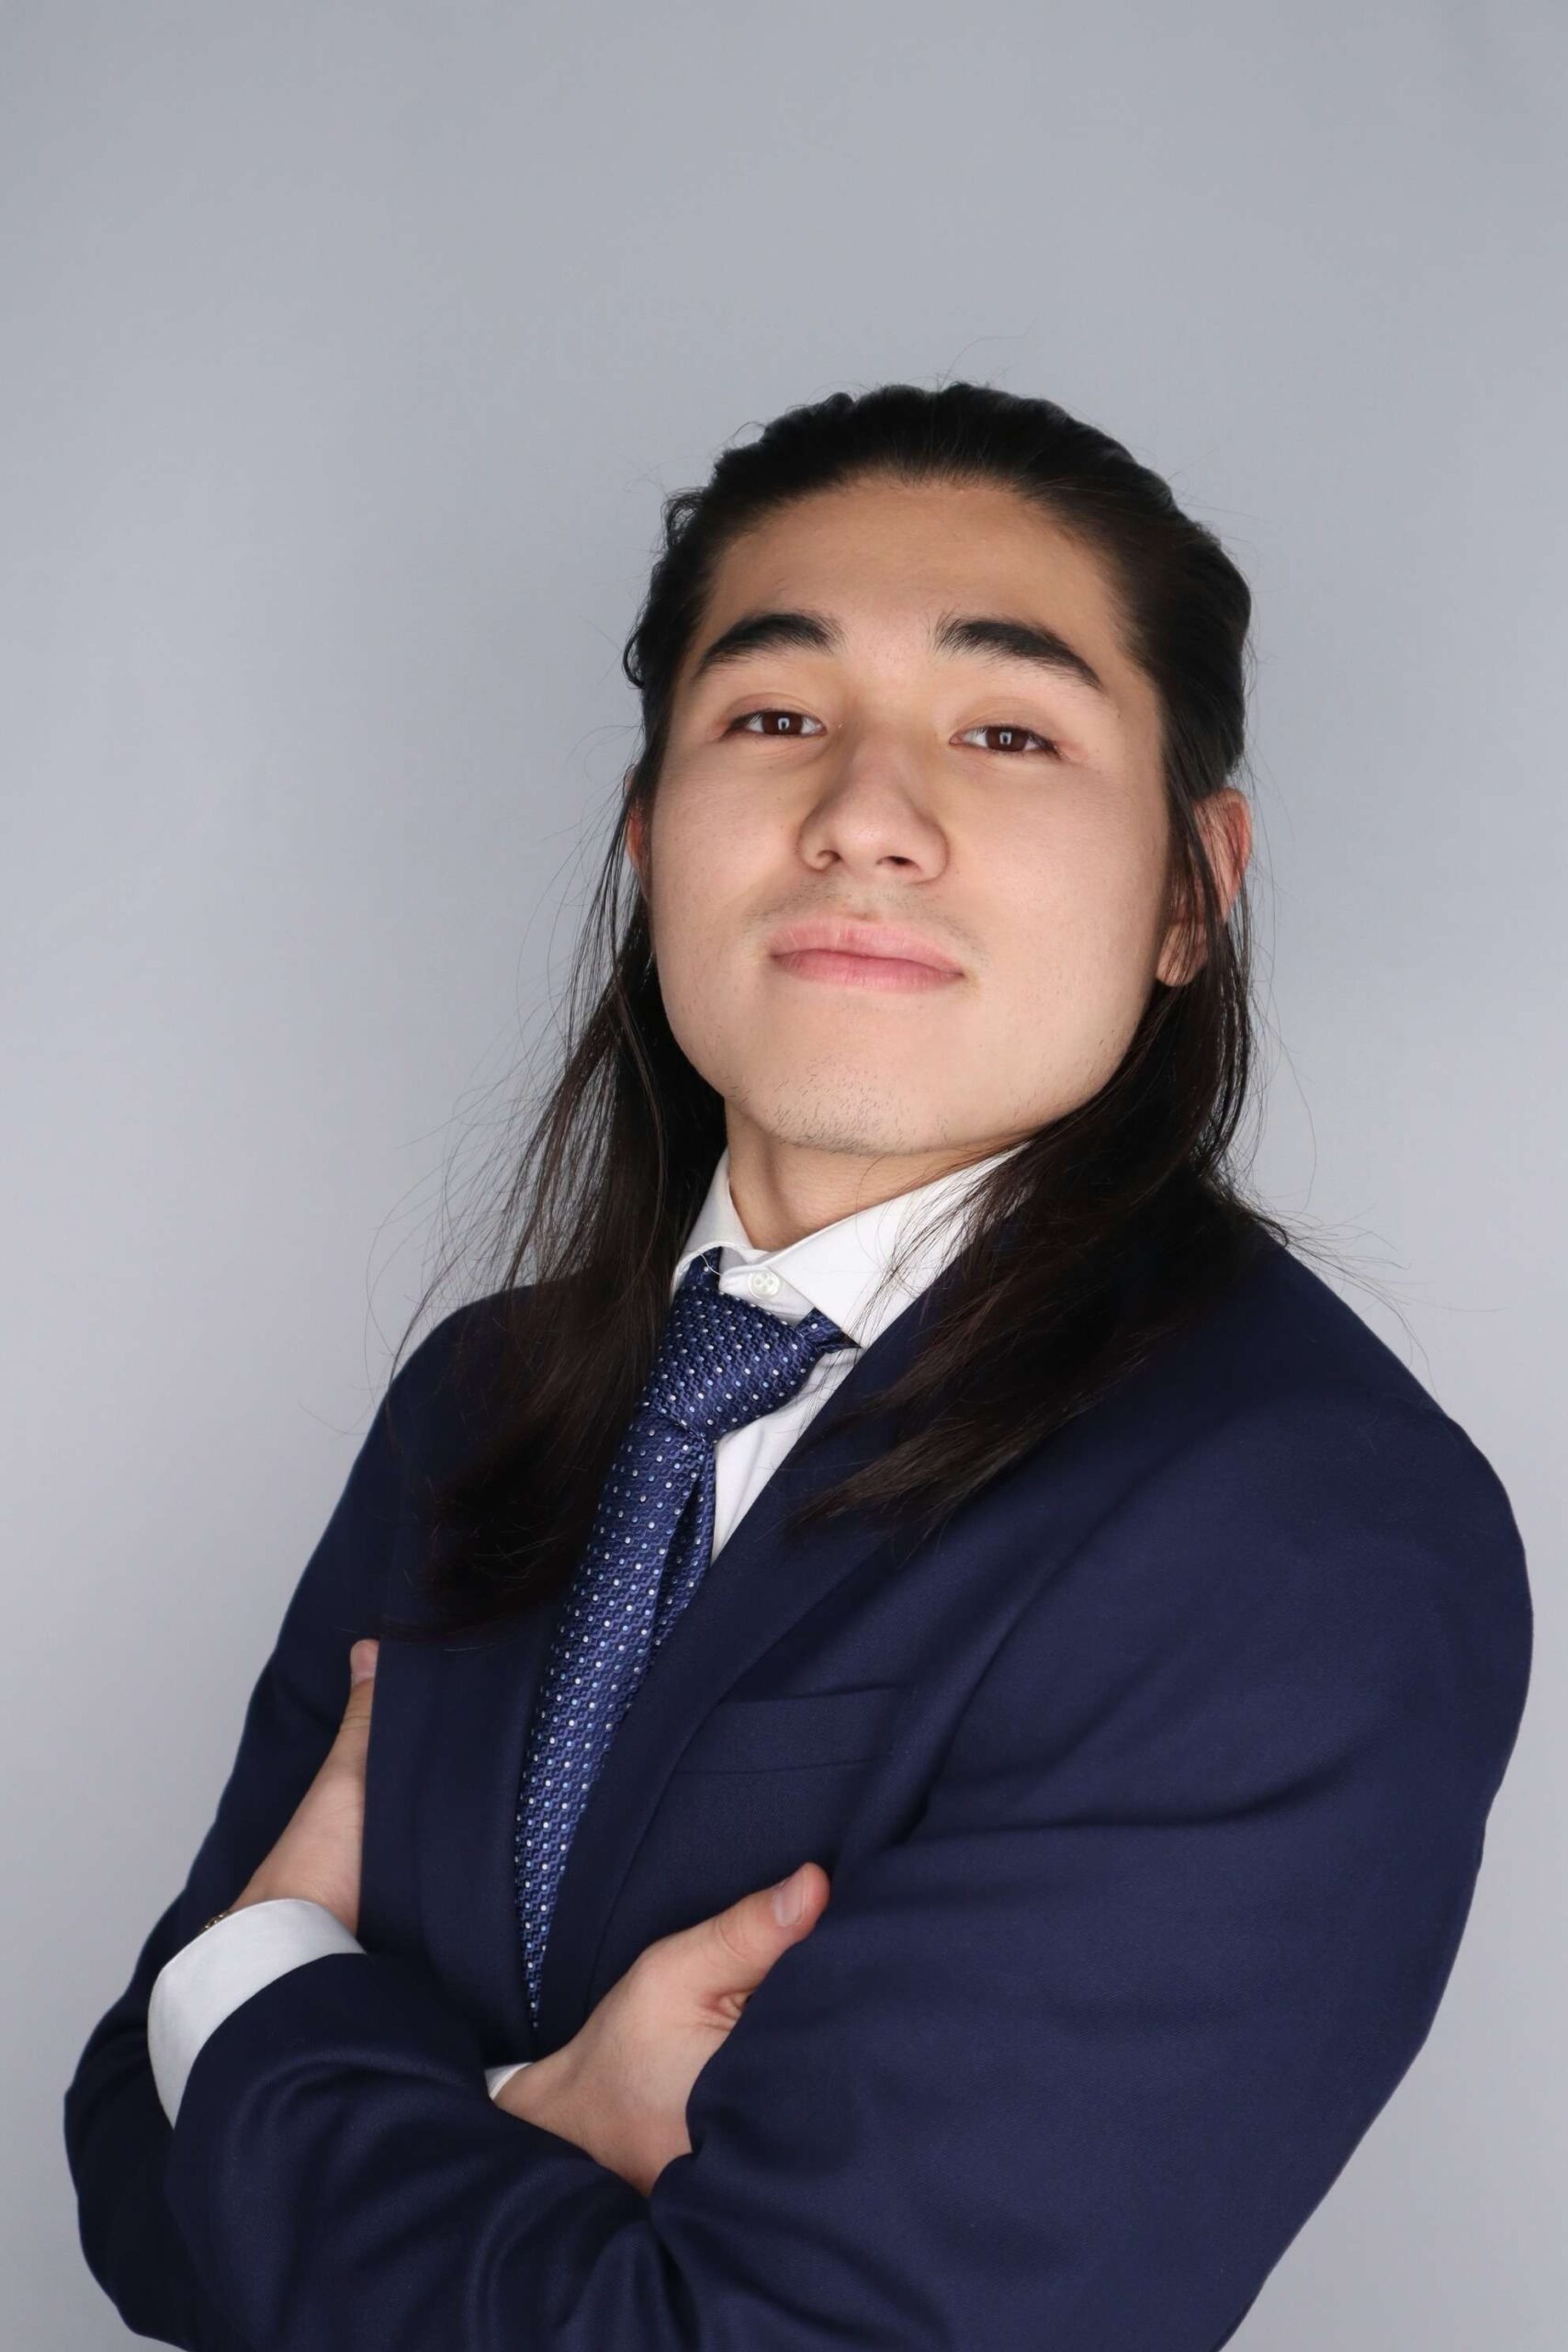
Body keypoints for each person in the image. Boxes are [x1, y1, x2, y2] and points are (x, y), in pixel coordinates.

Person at [63, 380, 1532, 2350]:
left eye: (1007, 732)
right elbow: (132, 2177)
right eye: (774, 716)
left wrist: (259, 1997)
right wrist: (521, 2117)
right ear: (645, 828)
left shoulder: (1298, 1532)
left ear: (1192, 886)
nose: (862, 817)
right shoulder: (484, 1400)